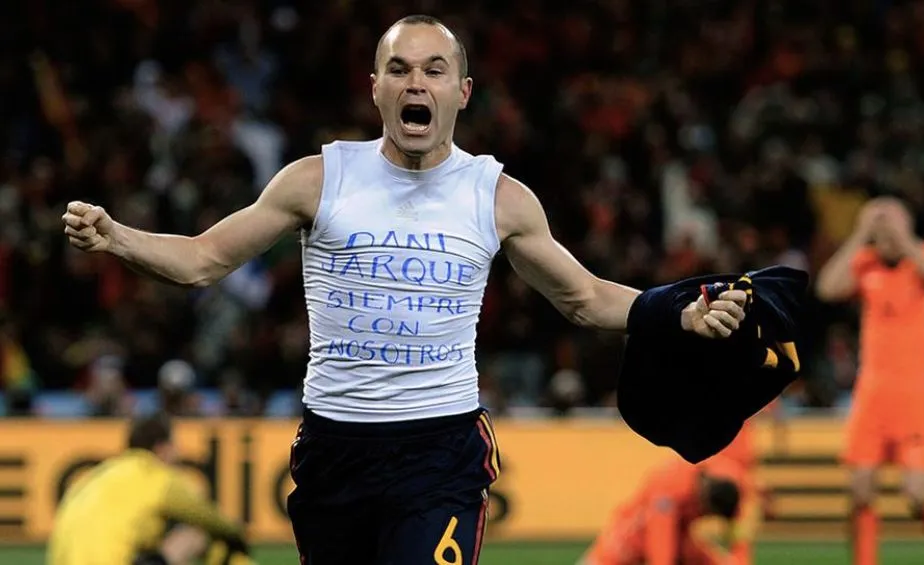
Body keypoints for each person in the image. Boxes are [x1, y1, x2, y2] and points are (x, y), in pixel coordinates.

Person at [62, 14, 749, 565]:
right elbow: (202, 260)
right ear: (376, 89)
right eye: (399, 69)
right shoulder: (317, 180)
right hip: (334, 452)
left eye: (433, 69)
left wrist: (677, 314)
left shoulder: (498, 197)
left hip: (439, 452)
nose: (415, 81)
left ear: (462, 92)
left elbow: (584, 297)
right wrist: (117, 237)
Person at [816, 197, 924, 565]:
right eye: (879, 230)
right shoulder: (867, 263)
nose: (886, 237)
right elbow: (827, 289)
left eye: (891, 227)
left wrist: (904, 239)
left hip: (919, 393)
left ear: (906, 226)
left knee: (916, 493)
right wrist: (859, 234)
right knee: (860, 489)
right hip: (872, 393)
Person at [46, 412, 252, 565]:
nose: (178, 453)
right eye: (174, 446)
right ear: (161, 448)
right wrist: (236, 533)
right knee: (194, 535)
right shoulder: (156, 476)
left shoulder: (93, 477)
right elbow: (207, 516)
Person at [578, 457, 747, 565]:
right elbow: (661, 545)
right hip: (630, 540)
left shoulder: (726, 479)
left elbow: (737, 530)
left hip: (679, 537)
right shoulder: (670, 491)